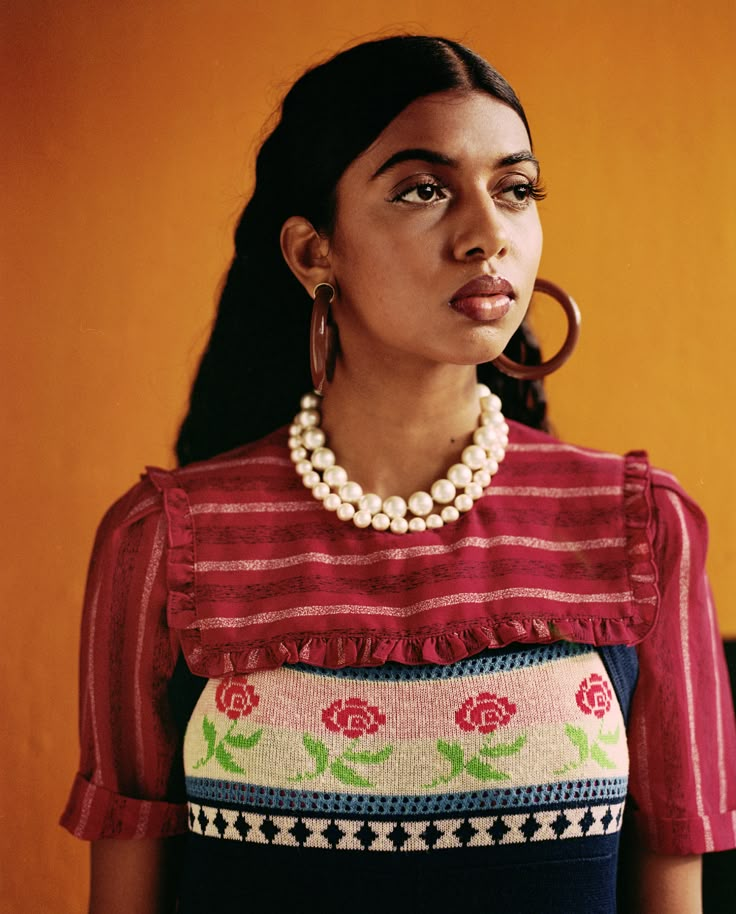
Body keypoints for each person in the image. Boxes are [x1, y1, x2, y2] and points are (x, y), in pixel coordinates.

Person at [61, 35, 736, 914]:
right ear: (313, 254)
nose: (488, 234)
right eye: (424, 190)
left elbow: (673, 881)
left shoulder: (642, 525)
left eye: (517, 190)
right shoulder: (159, 539)